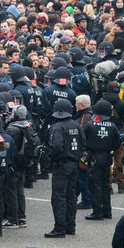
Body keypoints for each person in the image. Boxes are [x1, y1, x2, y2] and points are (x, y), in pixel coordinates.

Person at [45, 99, 85, 238]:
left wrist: (52, 158)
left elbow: (56, 146)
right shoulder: (76, 125)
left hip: (61, 165)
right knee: (70, 196)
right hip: (73, 163)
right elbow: (83, 144)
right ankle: (70, 226)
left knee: (58, 197)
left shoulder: (57, 127)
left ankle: (59, 228)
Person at [83, 100, 120, 220]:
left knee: (95, 185)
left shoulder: (90, 125)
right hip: (107, 158)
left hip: (94, 158)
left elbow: (83, 140)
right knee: (106, 184)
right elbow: (117, 144)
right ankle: (107, 212)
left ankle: (97, 212)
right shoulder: (113, 127)